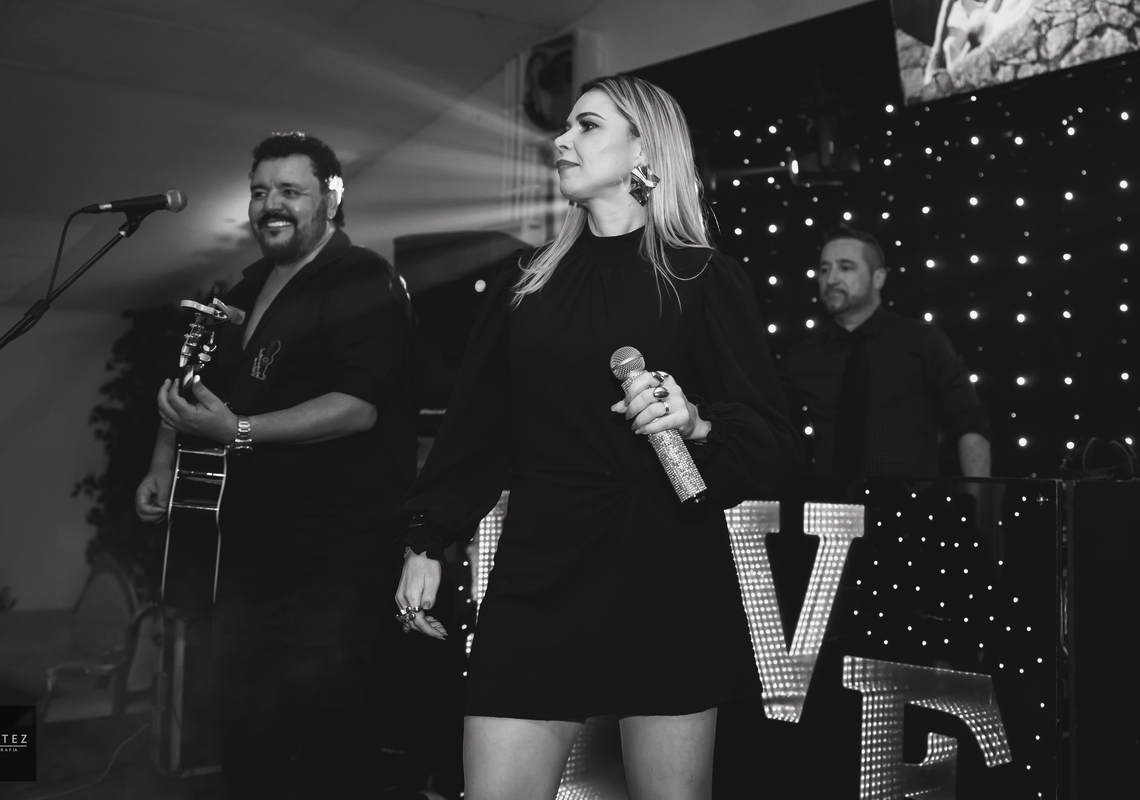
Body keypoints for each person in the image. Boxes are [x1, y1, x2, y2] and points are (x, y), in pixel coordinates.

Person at [393, 75, 802, 800]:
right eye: (565, 127)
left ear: (645, 148)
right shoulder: (526, 283)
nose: (561, 140)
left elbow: (773, 445)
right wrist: (427, 537)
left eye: (586, 125)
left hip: (666, 571)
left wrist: (695, 420)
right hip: (543, 571)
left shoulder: (703, 277)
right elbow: (476, 432)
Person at [134, 133, 415, 797]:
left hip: (337, 545)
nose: (270, 205)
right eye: (260, 192)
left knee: (327, 716)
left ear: (332, 199)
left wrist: (238, 431)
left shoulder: (361, 276)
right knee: (243, 709)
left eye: (290, 190)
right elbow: (194, 382)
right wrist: (162, 461)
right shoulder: (251, 283)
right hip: (251, 540)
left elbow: (356, 408)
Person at [779, 225, 991, 477]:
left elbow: (969, 422)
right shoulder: (804, 356)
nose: (831, 279)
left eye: (846, 267)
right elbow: (773, 433)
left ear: (878, 277)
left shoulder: (922, 340)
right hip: (830, 500)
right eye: (824, 269)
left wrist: (976, 498)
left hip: (911, 499)